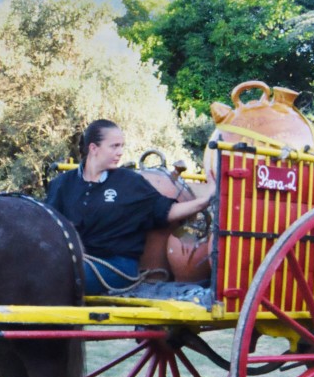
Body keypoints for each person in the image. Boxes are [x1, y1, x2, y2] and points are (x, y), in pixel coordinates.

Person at [47, 120, 215, 294]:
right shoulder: (62, 184)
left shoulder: (130, 183)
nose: (120, 152)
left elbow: (166, 211)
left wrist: (204, 201)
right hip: (71, 261)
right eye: (114, 146)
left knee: (56, 276)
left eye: (122, 146)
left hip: (116, 267)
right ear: (93, 148)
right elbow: (49, 226)